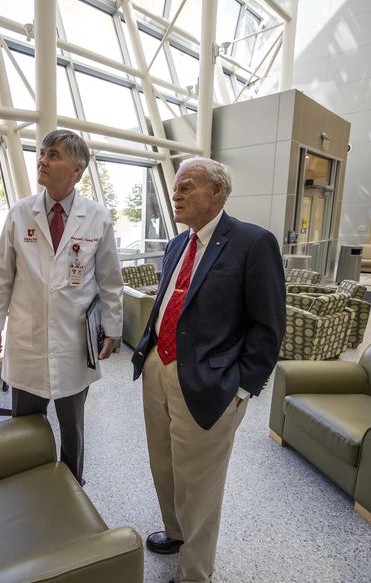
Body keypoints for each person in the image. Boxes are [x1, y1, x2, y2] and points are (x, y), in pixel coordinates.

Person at [131, 157, 285, 583]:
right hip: (158, 370)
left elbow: (269, 326)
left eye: (187, 185)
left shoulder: (254, 243)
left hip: (211, 382)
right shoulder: (178, 244)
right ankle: (177, 532)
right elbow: (167, 302)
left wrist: (242, 388)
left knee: (199, 483)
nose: (176, 193)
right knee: (163, 464)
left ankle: (194, 572)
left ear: (217, 191)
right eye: (175, 186)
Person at [0, 129, 123, 485]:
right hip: (27, 339)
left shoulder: (97, 217)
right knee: (26, 426)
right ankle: (29, 484)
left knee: (72, 428)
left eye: (53, 155)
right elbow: (2, 276)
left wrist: (114, 329)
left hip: (74, 342)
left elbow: (110, 281)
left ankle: (73, 486)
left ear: (77, 169)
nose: (42, 160)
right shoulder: (19, 214)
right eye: (42, 153)